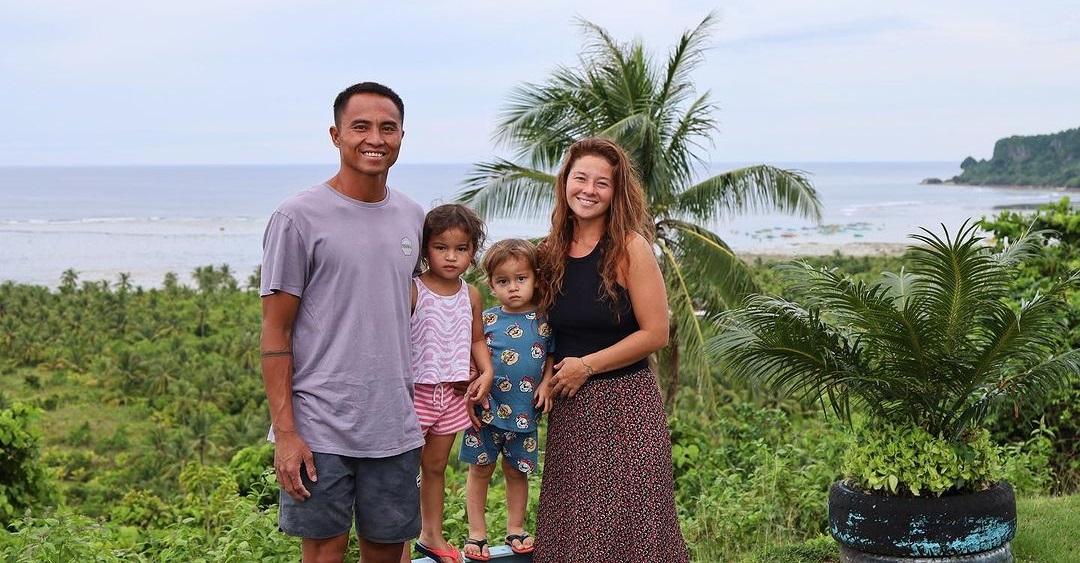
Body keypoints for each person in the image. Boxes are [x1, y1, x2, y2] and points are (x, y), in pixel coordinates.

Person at [260, 81, 426, 563]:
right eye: (360, 127)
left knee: (387, 550)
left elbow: (410, 298)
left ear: (401, 136)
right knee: (324, 551)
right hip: (319, 425)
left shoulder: (413, 217)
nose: (374, 138)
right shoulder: (297, 218)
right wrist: (286, 433)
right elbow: (276, 332)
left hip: (394, 422)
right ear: (335, 135)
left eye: (387, 128)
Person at [532, 137, 689, 562]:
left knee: (633, 532)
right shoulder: (551, 251)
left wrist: (587, 366)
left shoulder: (630, 247)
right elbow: (543, 330)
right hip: (572, 412)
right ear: (565, 182)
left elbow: (657, 333)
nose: (589, 189)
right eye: (580, 177)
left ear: (616, 193)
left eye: (602, 183)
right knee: (576, 533)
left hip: (627, 409)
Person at [407, 203, 495, 563]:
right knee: (402, 472)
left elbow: (476, 339)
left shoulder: (470, 294)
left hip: (452, 395)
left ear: (473, 252)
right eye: (441, 247)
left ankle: (431, 535)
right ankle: (398, 540)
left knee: (436, 467)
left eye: (461, 249)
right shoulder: (413, 290)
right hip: (415, 393)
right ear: (425, 248)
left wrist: (486, 371)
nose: (451, 257)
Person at [458, 239, 555, 562]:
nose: (512, 288)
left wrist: (546, 383)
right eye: (503, 281)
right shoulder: (485, 320)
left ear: (535, 279)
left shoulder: (544, 320)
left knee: (517, 472)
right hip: (487, 410)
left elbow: (551, 355)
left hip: (525, 412)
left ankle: (515, 528)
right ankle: (477, 533)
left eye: (521, 279)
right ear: (492, 284)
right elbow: (471, 355)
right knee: (480, 470)